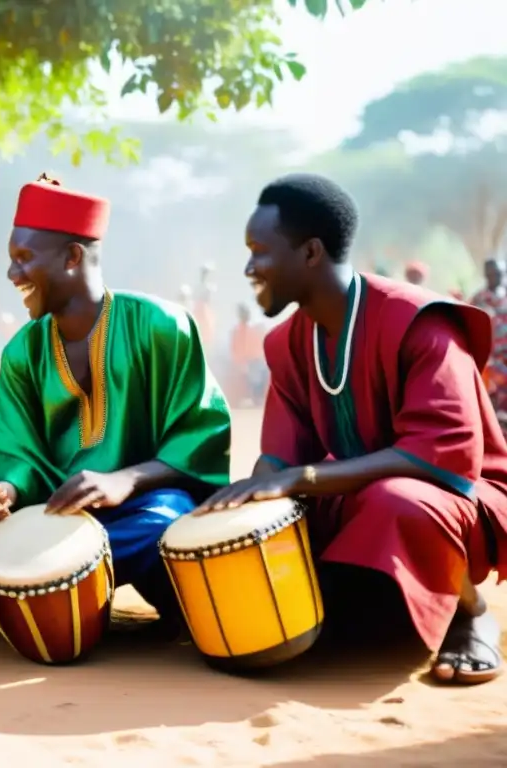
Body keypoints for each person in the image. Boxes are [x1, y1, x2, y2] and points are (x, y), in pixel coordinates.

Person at [196, 173, 507, 685]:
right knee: (276, 514)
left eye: (260, 251)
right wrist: (249, 504)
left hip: (459, 499)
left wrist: (303, 479)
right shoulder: (288, 344)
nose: (249, 267)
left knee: (395, 500)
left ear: (311, 252)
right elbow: (279, 457)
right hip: (358, 493)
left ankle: (469, 613)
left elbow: (442, 457)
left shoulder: (419, 322)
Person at [0, 175, 232, 626]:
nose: (11, 274)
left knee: (167, 520)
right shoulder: (23, 350)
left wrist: (125, 480)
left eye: (23, 258)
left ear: (73, 256)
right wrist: (6, 491)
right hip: (50, 514)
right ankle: (58, 587)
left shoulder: (161, 325)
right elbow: (15, 452)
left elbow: (200, 438)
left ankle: (42, 586)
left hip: (137, 510)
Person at [471, 258, 507, 431]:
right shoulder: (478, 300)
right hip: (491, 361)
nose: (496, 276)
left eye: (499, 272)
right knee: (491, 400)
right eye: (492, 273)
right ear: (486, 274)